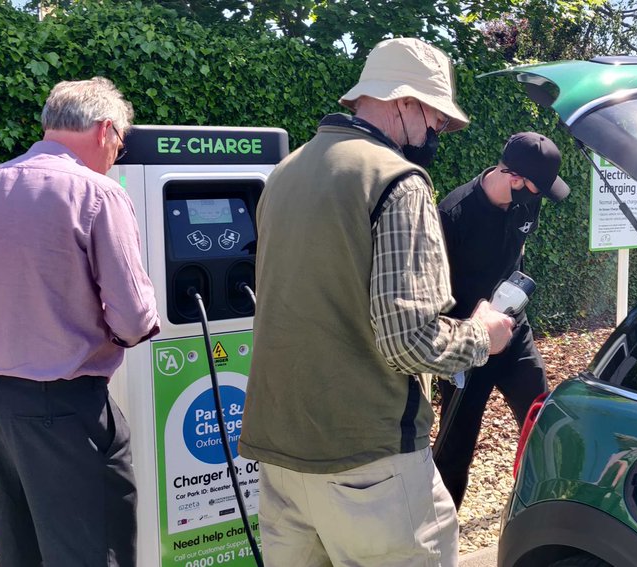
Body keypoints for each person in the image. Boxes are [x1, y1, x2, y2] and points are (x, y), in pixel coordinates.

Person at [239, 38, 515, 566]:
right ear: (403, 102)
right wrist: (484, 335)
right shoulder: (399, 182)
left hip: (280, 457)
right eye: (435, 118)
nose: (438, 133)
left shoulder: (285, 173)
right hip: (369, 462)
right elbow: (409, 342)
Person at [0, 77, 159, 566]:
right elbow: (132, 317)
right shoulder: (99, 194)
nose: (116, 156)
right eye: (120, 146)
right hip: (64, 408)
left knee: (21, 550)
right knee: (91, 550)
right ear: (105, 130)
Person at [432, 132, 570, 508]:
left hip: (514, 333)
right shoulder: (452, 215)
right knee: (455, 449)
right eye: (537, 188)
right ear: (514, 178)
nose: (539, 197)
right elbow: (434, 296)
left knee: (544, 421)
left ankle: (547, 511)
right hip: (469, 342)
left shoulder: (526, 203)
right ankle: (440, 539)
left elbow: (516, 252)